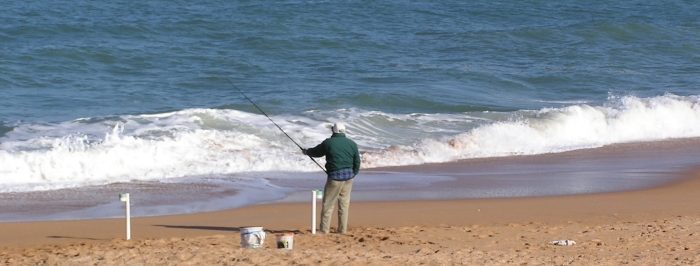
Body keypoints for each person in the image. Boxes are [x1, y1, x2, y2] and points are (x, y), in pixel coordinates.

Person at [302, 122, 360, 234]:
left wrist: (306, 151)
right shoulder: (352, 143)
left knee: (328, 204)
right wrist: (354, 173)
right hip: (349, 178)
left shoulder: (328, 143)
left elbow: (316, 152)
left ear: (334, 131)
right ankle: (342, 230)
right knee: (344, 205)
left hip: (334, 178)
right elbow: (357, 161)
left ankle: (324, 230)